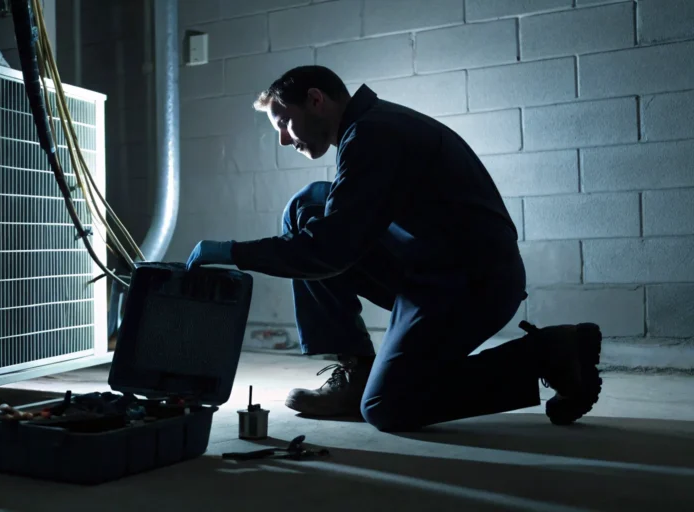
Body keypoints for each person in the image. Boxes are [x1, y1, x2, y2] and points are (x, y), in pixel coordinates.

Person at [185, 65, 602, 432]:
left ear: (315, 100)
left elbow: (329, 250)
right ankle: (357, 371)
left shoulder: (373, 135)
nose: (282, 139)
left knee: (388, 405)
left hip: (472, 287)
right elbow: (337, 234)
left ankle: (550, 352)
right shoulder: (368, 128)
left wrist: (232, 253)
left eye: (284, 122)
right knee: (306, 209)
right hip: (434, 267)